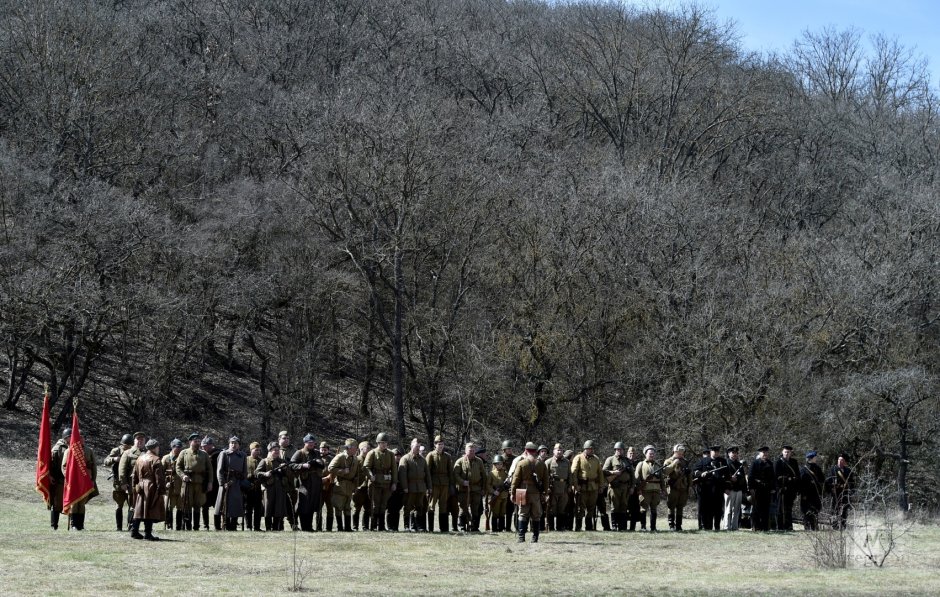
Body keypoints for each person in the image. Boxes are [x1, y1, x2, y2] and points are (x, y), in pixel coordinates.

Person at [510, 442, 549, 543]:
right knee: (536, 515)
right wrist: (545, 493)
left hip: (523, 492)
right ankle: (535, 537)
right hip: (536, 493)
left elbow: (516, 479)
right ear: (536, 452)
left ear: (526, 451)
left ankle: (521, 537)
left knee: (522, 514)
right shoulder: (541, 464)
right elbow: (546, 481)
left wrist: (512, 492)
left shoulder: (521, 463)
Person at [175, 433, 212, 531]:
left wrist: (210, 482)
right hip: (188, 483)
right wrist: (183, 476)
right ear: (190, 442)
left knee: (198, 504)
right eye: (195, 441)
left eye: (199, 441)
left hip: (200, 483)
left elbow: (210, 470)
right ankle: (187, 526)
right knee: (187, 504)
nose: (197, 443)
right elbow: (178, 467)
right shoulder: (184, 453)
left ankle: (196, 527)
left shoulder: (204, 454)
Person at [61, 430, 97, 530]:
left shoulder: (89, 451)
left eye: (83, 437)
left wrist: (93, 479)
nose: (81, 439)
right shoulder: (69, 451)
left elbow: (93, 466)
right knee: (74, 503)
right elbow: (64, 467)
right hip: (73, 482)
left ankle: (81, 525)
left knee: (81, 504)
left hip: (85, 481)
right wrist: (68, 478)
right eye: (79, 437)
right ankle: (73, 525)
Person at [131, 439, 166, 541]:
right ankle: (147, 534)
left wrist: (135, 486)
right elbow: (159, 478)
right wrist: (161, 490)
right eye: (158, 447)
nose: (158, 449)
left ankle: (134, 531)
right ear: (155, 448)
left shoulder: (139, 458)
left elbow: (134, 474)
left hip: (141, 486)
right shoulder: (156, 460)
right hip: (151, 487)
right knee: (150, 509)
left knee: (139, 509)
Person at [291, 434, 326, 532]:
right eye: (309, 443)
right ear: (305, 443)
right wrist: (303, 465)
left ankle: (309, 527)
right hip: (304, 482)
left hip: (316, 482)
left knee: (312, 505)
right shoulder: (299, 453)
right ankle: (304, 527)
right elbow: (291, 465)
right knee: (304, 505)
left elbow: (322, 464)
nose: (311, 444)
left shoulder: (317, 453)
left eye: (313, 443)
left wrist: (319, 463)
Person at [364, 432, 397, 531]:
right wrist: (370, 476)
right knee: (375, 505)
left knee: (383, 505)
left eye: (386, 443)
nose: (384, 444)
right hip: (375, 483)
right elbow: (366, 467)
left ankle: (381, 526)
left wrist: (394, 483)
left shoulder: (391, 454)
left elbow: (394, 469)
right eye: (382, 442)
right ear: (378, 443)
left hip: (386, 483)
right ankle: (373, 526)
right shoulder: (372, 453)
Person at [570, 440, 604, 531]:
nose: (592, 450)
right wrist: (576, 485)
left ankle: (589, 527)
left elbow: (600, 473)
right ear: (585, 449)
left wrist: (601, 486)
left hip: (593, 487)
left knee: (592, 507)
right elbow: (574, 473)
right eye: (589, 448)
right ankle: (578, 526)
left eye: (592, 448)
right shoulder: (578, 458)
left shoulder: (596, 459)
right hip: (582, 487)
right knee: (580, 508)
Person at [399, 438, 431, 532]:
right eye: (416, 446)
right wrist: (405, 487)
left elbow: (427, 475)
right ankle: (406, 526)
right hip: (410, 487)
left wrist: (429, 487)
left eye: (419, 447)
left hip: (421, 487)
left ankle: (416, 526)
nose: (417, 448)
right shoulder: (405, 458)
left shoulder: (423, 460)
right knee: (408, 507)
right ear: (411, 446)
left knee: (419, 507)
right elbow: (402, 474)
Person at [328, 439, 361, 532]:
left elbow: (356, 474)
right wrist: (342, 471)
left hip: (350, 485)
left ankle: (347, 527)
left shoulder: (355, 458)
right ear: (349, 448)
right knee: (339, 506)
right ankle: (340, 527)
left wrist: (355, 486)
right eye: (355, 448)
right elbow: (330, 468)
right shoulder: (340, 457)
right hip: (340, 484)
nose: (356, 450)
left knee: (347, 506)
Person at [216, 436, 248, 531]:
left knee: (236, 504)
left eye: (236, 443)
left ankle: (233, 525)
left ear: (239, 445)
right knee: (224, 504)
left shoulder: (243, 455)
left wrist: (242, 480)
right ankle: (225, 524)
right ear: (229, 444)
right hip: (226, 482)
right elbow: (219, 470)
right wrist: (222, 483)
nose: (233, 445)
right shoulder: (224, 454)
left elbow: (244, 470)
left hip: (237, 482)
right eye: (232, 443)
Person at [256, 443, 290, 530]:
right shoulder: (265, 461)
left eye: (278, 450)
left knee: (278, 508)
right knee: (268, 508)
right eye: (275, 450)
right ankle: (268, 528)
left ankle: (276, 527)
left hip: (280, 488)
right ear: (270, 451)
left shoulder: (283, 462)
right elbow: (257, 473)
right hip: (269, 488)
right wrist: (265, 474)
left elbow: (289, 475)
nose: (277, 452)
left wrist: (285, 469)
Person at [453, 442, 487, 532]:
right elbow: (455, 474)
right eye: (470, 450)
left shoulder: (479, 461)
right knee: (463, 508)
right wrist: (462, 482)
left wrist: (483, 489)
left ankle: (474, 527)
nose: (471, 452)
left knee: (475, 509)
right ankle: (463, 526)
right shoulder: (460, 461)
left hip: (476, 489)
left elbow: (484, 475)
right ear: (465, 451)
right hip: (463, 489)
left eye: (473, 451)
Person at [103, 434, 133, 531]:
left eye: (129, 446)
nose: (127, 448)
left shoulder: (134, 452)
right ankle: (119, 527)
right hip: (118, 482)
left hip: (131, 481)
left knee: (131, 505)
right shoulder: (116, 451)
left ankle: (131, 526)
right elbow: (106, 461)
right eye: (125, 446)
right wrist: (114, 459)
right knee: (119, 505)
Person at [119, 431, 147, 536]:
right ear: (134, 441)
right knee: (133, 505)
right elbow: (122, 469)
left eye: (142, 439)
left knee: (142, 505)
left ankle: (140, 526)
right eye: (138, 439)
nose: (140, 441)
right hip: (133, 484)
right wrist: (123, 482)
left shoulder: (148, 453)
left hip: (145, 484)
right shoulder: (128, 453)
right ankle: (131, 526)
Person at [694, 445, 728, 531]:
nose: (716, 453)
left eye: (717, 451)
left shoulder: (723, 461)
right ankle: (707, 527)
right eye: (714, 451)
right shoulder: (703, 460)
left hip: (718, 489)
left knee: (718, 509)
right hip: (706, 489)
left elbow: (727, 476)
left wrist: (726, 488)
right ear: (710, 452)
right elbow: (695, 471)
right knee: (707, 509)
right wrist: (701, 474)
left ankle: (717, 526)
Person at [426, 435, 454, 533]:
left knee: (443, 505)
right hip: (434, 483)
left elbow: (450, 472)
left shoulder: (447, 456)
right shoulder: (430, 455)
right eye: (438, 444)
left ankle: (444, 528)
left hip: (445, 484)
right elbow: (427, 471)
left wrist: (451, 485)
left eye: (442, 444)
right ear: (435, 445)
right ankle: (430, 528)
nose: (440, 446)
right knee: (431, 505)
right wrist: (428, 485)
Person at [634, 445, 666, 531]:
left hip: (656, 490)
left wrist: (663, 489)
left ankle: (653, 527)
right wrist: (639, 490)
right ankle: (643, 527)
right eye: (650, 453)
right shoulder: (641, 464)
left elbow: (662, 479)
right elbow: (637, 478)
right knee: (643, 508)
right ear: (645, 454)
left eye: (653, 454)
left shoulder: (658, 465)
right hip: (645, 490)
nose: (652, 455)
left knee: (654, 509)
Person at [603, 442, 633, 532]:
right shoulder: (610, 459)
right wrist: (613, 472)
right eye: (617, 449)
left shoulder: (627, 461)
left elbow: (632, 476)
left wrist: (632, 487)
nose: (619, 451)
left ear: (623, 451)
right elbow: (604, 471)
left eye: (621, 450)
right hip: (614, 487)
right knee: (614, 506)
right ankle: (614, 525)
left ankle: (622, 526)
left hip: (625, 487)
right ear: (615, 450)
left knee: (624, 506)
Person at [747, 446, 777, 531]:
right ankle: (756, 527)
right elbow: (750, 477)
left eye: (766, 453)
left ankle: (765, 527)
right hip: (757, 489)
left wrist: (773, 488)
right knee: (757, 509)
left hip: (767, 489)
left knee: (766, 508)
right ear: (759, 453)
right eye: (763, 453)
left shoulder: (770, 463)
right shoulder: (755, 463)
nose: (765, 454)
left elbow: (773, 477)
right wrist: (751, 488)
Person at [663, 444, 692, 531]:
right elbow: (665, 472)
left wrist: (690, 486)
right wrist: (673, 464)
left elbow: (689, 475)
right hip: (672, 487)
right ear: (675, 452)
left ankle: (679, 526)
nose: (681, 454)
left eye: (682, 453)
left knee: (680, 506)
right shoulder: (668, 461)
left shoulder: (685, 461)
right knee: (671, 506)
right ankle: (671, 525)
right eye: (679, 453)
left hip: (683, 487)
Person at [48, 427, 70, 530]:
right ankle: (54, 526)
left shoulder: (75, 447)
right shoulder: (57, 449)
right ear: (67, 438)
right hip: (59, 480)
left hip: (70, 481)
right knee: (57, 504)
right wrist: (50, 475)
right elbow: (50, 464)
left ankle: (74, 525)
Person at [544, 443, 570, 531]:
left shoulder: (567, 462)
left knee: (562, 508)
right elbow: (545, 477)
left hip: (563, 488)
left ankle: (560, 527)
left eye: (561, 450)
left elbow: (570, 475)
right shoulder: (548, 462)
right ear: (553, 451)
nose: (559, 452)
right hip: (553, 488)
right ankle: (551, 527)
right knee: (552, 508)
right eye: (557, 450)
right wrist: (546, 488)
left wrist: (570, 486)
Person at [775, 445, 800, 531]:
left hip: (791, 489)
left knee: (789, 508)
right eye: (785, 452)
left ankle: (789, 526)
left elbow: (797, 476)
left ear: (791, 453)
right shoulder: (778, 462)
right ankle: (780, 526)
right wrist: (786, 479)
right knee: (780, 509)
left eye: (788, 452)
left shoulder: (794, 462)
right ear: (782, 452)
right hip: (782, 489)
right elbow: (776, 476)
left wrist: (796, 488)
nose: (787, 453)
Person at [161, 439, 184, 530]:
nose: (178, 449)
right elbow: (161, 474)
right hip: (169, 486)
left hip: (180, 486)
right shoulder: (166, 458)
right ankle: (169, 525)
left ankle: (179, 526)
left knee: (180, 507)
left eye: (179, 447)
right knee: (169, 506)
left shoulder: (182, 458)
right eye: (176, 447)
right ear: (172, 447)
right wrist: (165, 483)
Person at [723, 447, 748, 531]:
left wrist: (744, 490)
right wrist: (730, 478)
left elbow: (743, 478)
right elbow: (722, 477)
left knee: (737, 510)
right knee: (728, 509)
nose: (734, 454)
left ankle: (735, 527)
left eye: (736, 453)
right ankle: (727, 526)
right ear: (729, 453)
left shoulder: (739, 464)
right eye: (733, 453)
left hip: (739, 489)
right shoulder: (725, 463)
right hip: (729, 489)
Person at [799, 450, 824, 531]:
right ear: (811, 458)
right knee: (807, 511)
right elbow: (801, 483)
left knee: (815, 510)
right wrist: (804, 494)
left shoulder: (817, 468)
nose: (816, 458)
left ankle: (814, 527)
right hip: (806, 494)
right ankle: (807, 528)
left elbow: (822, 480)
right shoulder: (803, 469)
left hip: (815, 494)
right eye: (815, 457)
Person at [829, 453, 855, 530]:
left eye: (842, 460)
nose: (840, 461)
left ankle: (843, 525)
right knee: (835, 509)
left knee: (845, 509)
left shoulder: (848, 470)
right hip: (836, 493)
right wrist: (832, 487)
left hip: (845, 493)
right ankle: (835, 525)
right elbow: (828, 481)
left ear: (844, 461)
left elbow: (852, 482)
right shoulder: (833, 469)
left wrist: (851, 491)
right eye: (839, 460)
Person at [245, 441, 264, 531]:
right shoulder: (246, 460)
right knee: (248, 508)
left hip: (258, 488)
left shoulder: (262, 460)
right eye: (256, 450)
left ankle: (257, 527)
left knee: (258, 508)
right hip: (248, 487)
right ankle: (248, 526)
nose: (258, 452)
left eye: (259, 450)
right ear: (251, 450)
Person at [352, 440, 371, 531]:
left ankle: (365, 527)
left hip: (369, 487)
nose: (368, 450)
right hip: (358, 488)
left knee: (368, 508)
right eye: (366, 448)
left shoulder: (371, 459)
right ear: (361, 449)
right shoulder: (356, 459)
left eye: (369, 448)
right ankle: (355, 526)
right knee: (357, 508)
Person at [487, 454, 509, 532]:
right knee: (495, 513)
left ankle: (501, 528)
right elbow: (488, 485)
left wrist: (508, 484)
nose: (499, 465)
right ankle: (494, 528)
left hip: (504, 495)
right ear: (495, 465)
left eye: (501, 464)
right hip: (496, 496)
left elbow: (508, 485)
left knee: (502, 513)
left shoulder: (506, 474)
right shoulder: (491, 473)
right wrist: (493, 491)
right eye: (498, 464)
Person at [626, 446, 644, 531]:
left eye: (633, 453)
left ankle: (632, 528)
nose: (631, 455)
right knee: (624, 508)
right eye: (630, 453)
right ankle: (623, 527)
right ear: (627, 454)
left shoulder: (639, 464)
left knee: (635, 509)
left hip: (635, 490)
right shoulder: (624, 462)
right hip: (625, 489)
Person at [387, 448, 405, 531]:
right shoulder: (389, 466)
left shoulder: (402, 466)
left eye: (399, 455)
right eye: (395, 455)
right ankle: (390, 527)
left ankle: (396, 527)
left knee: (397, 509)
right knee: (390, 509)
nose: (397, 457)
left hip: (400, 491)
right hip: (391, 490)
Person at [501, 440, 517, 531]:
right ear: (504, 449)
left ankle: (509, 527)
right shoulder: (500, 458)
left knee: (511, 508)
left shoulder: (516, 458)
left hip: (513, 484)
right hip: (503, 485)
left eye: (511, 448)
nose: (510, 450)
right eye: (508, 449)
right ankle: (502, 527)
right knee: (503, 507)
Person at [318, 441, 334, 531]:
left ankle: (329, 528)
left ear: (328, 450)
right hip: (319, 486)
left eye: (325, 450)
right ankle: (318, 527)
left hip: (330, 486)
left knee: (330, 507)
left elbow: (334, 471)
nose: (323, 451)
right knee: (319, 508)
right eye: (322, 449)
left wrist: (328, 477)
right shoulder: (316, 459)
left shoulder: (332, 459)